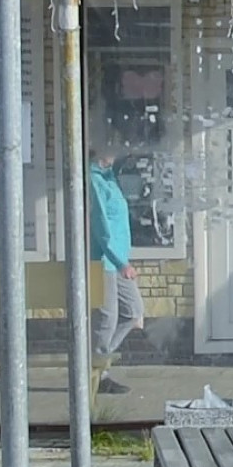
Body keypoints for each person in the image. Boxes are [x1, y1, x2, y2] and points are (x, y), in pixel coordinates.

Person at [89, 143, 140, 394]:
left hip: (119, 260)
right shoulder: (92, 180)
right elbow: (100, 227)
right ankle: (98, 374)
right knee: (107, 318)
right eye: (110, 147)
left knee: (133, 313)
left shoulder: (109, 176)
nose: (115, 152)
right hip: (104, 261)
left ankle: (98, 361)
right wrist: (122, 263)